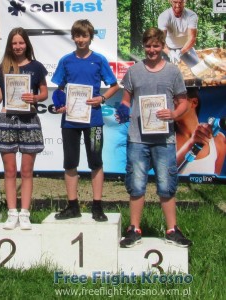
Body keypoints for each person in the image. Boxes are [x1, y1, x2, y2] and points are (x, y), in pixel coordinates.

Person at [118, 27, 192, 248]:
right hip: (137, 138)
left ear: (162, 46)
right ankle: (134, 229)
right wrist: (122, 110)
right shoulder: (134, 71)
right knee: (137, 184)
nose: (152, 50)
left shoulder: (173, 72)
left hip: (164, 139)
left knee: (166, 185)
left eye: (156, 46)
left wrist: (174, 114)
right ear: (144, 46)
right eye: (148, 46)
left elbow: (183, 102)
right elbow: (125, 99)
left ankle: (172, 230)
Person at [0, 27, 48, 230]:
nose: (18, 46)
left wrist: (35, 98)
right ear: (10, 45)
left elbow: (43, 93)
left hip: (29, 120)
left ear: (27, 44)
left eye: (21, 42)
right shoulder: (2, 68)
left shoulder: (37, 67)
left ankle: (24, 213)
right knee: (9, 171)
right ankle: (11, 213)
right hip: (7, 120)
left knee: (27, 171)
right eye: (14, 43)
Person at [51, 19, 119, 222]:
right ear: (73, 37)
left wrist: (103, 98)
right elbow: (59, 89)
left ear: (91, 37)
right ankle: (73, 206)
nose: (81, 40)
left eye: (85, 36)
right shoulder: (66, 61)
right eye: (77, 36)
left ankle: (97, 206)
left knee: (96, 162)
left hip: (94, 121)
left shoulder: (99, 60)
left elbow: (114, 85)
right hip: (70, 120)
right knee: (70, 163)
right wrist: (59, 103)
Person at [175, 87, 226, 175]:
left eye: (174, 99)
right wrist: (191, 143)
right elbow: (160, 176)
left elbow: (213, 185)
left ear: (194, 102)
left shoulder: (218, 140)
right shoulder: (161, 139)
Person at [158, 0, 200, 68]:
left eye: (180, 2)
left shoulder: (191, 15)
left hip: (186, 47)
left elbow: (192, 38)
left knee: (198, 69)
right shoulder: (164, 16)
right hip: (168, 47)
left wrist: (180, 52)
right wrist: (169, 53)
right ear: (170, 1)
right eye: (175, 2)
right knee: (162, 71)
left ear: (185, 2)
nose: (178, 5)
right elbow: (160, 40)